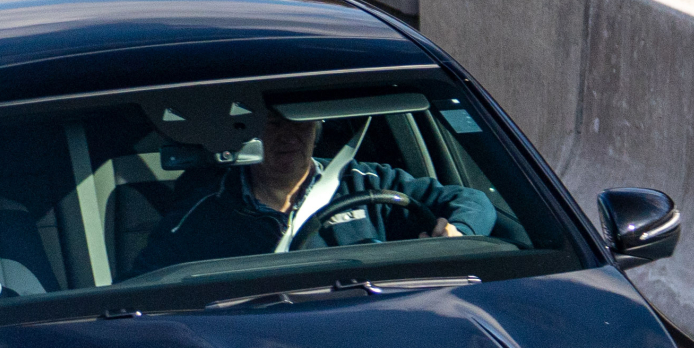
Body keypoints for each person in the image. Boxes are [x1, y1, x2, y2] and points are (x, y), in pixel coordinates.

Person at [132, 116, 496, 275]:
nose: (289, 135)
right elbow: (148, 284)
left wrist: (458, 232)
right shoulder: (205, 210)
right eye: (274, 123)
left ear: (318, 127)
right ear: (251, 132)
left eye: (300, 121)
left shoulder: (365, 181)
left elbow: (473, 201)